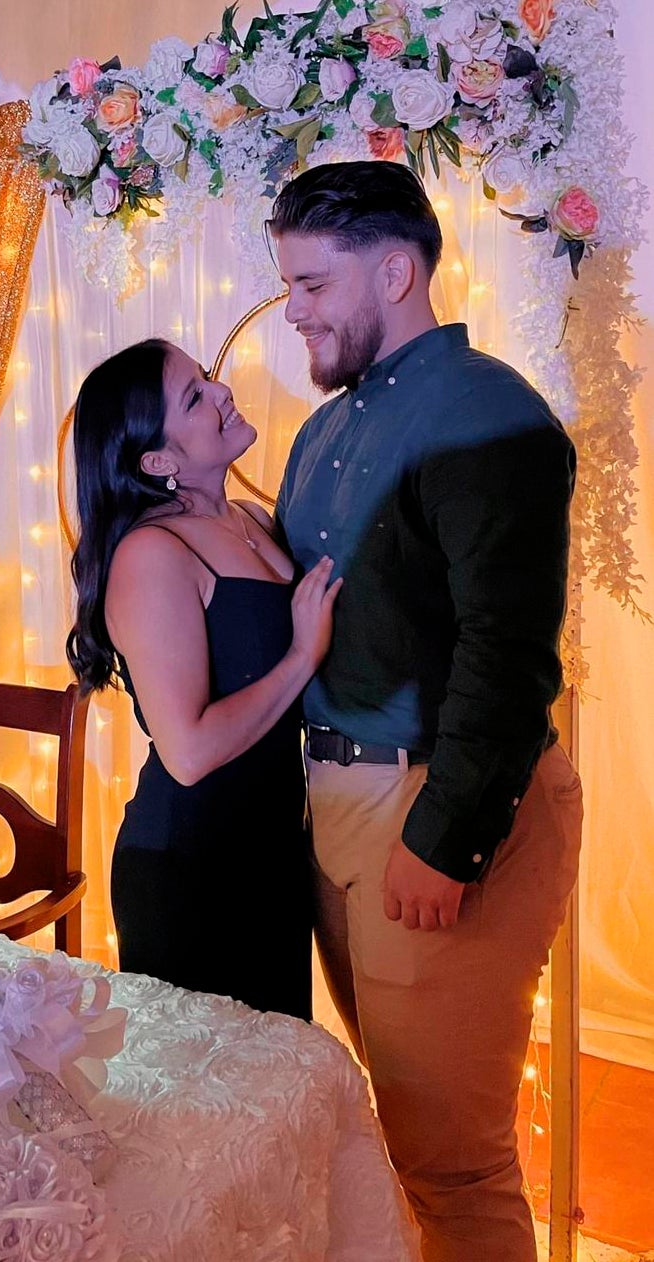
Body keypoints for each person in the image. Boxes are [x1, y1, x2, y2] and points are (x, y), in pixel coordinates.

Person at [270, 161, 583, 1261]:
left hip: (430, 809)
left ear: (394, 272)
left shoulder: (489, 415)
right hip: (341, 809)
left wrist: (443, 841)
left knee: (454, 1160)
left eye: (311, 286)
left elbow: (505, 659)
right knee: (399, 1142)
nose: (293, 311)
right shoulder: (320, 431)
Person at [66, 338, 341, 1021]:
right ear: (157, 461)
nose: (222, 393)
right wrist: (301, 659)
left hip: (271, 854)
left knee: (276, 1098)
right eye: (195, 396)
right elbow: (186, 752)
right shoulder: (151, 553)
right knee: (209, 1109)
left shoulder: (249, 519)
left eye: (207, 378)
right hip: (191, 869)